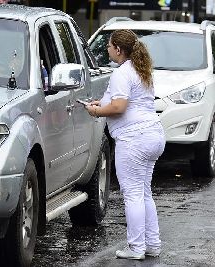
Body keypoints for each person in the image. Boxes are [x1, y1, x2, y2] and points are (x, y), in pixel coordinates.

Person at [85, 29, 165, 260]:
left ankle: (136, 248)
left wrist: (97, 111)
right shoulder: (141, 70)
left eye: (109, 46)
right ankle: (152, 244)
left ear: (118, 49)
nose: (108, 49)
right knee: (144, 192)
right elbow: (129, 101)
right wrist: (104, 102)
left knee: (132, 194)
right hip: (153, 135)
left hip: (134, 140)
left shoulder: (121, 73)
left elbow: (119, 107)